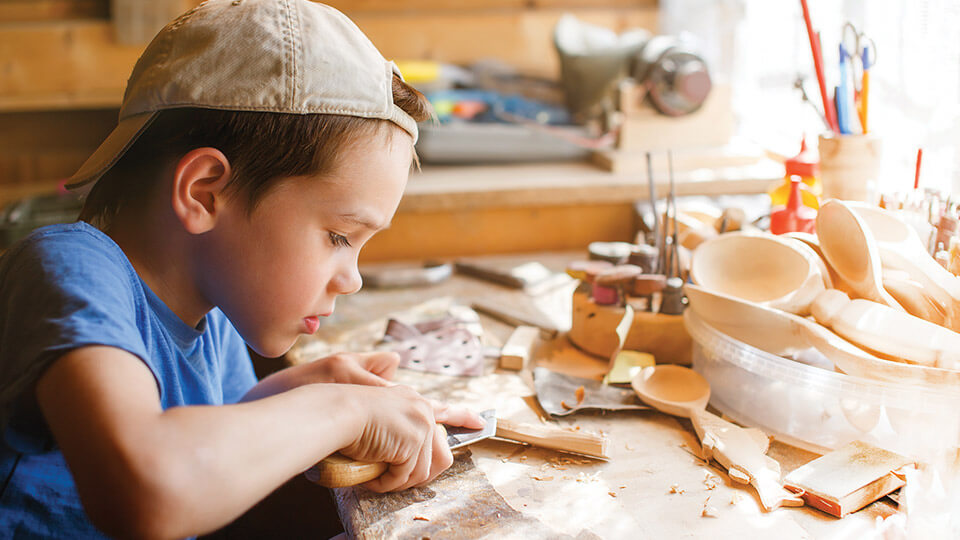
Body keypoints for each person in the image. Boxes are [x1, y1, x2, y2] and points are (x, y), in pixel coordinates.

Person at [0, 1, 483, 537]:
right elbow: (148, 485)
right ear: (205, 192)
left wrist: (302, 388)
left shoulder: (211, 305)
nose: (353, 278)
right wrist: (341, 410)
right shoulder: (68, 270)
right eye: (339, 236)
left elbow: (210, 426)